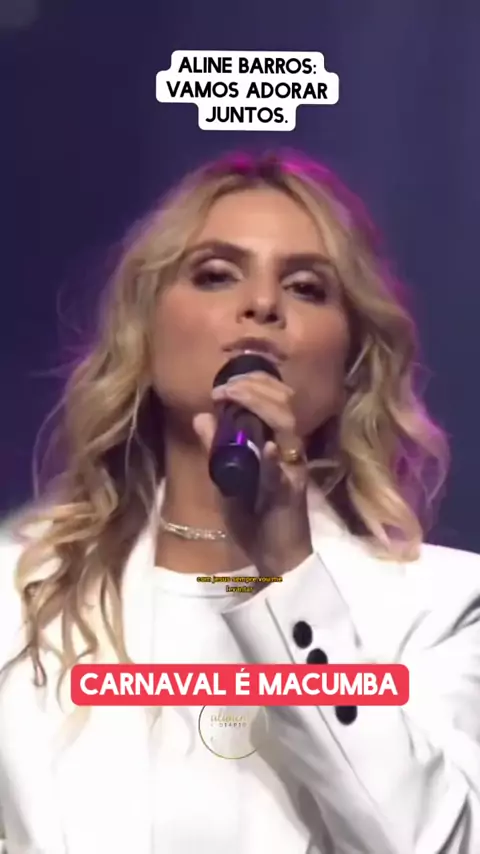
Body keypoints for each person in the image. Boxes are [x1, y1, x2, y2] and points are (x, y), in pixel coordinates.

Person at [0, 150, 479, 854]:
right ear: (146, 332)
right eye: (216, 274)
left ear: (349, 366)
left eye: (307, 287)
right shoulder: (18, 596)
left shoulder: (440, 607)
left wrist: (288, 571)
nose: (262, 305)